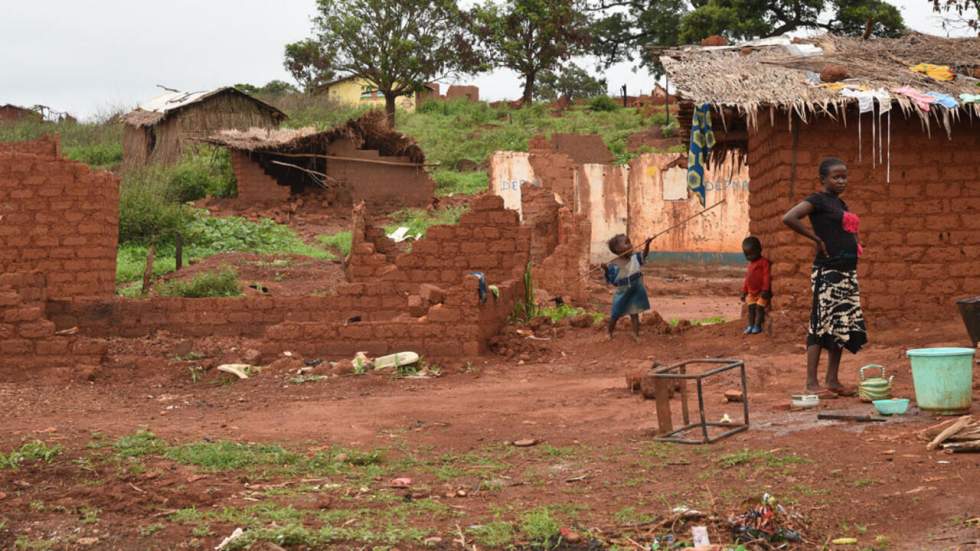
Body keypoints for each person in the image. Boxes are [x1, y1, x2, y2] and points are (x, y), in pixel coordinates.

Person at [782, 157, 867, 397]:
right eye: (836, 177)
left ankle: (832, 380)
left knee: (840, 324)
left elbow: (845, 231)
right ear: (822, 179)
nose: (842, 181)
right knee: (820, 325)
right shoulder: (816, 201)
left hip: (846, 272)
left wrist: (855, 244)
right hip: (827, 272)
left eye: (844, 177)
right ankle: (811, 383)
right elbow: (788, 217)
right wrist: (816, 239)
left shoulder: (840, 204)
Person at [602, 234, 654, 341]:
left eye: (630, 242)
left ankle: (636, 334)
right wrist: (606, 270)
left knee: (634, 313)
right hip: (622, 292)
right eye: (627, 243)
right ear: (618, 249)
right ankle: (609, 332)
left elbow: (644, 255)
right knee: (615, 313)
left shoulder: (635, 258)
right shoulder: (614, 264)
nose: (630, 245)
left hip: (636, 290)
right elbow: (612, 281)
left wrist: (647, 244)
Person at [740, 236, 771, 335]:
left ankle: (757, 325)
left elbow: (766, 277)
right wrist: (744, 291)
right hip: (751, 292)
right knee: (751, 309)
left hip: (761, 292)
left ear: (759, 250)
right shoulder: (750, 265)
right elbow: (747, 279)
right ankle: (750, 325)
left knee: (759, 308)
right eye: (747, 255)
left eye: (752, 254)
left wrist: (765, 290)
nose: (750, 257)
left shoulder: (763, 263)